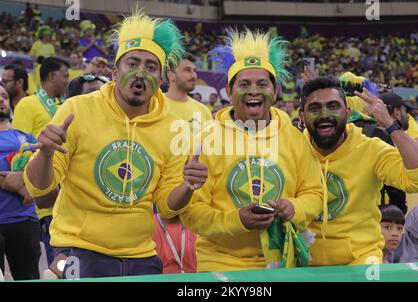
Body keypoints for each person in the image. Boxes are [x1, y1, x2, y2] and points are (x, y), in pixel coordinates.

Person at [23, 10, 207, 279]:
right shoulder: (77, 109)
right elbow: (39, 188)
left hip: (141, 256)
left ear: (161, 80)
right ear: (114, 72)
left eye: (151, 67)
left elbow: (167, 207)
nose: (140, 73)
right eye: (132, 64)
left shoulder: (170, 126)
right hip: (80, 251)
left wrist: (188, 187)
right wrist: (46, 153)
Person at [180, 28, 324, 272]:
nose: (254, 91)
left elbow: (315, 195)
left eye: (262, 84)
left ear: (275, 91)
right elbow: (193, 212)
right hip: (221, 264)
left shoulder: (295, 138)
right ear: (229, 91)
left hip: (284, 260)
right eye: (244, 84)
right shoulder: (207, 139)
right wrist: (238, 221)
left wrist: (294, 208)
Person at [299, 76, 418, 266]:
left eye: (333, 106)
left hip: (361, 260)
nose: (324, 114)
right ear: (302, 117)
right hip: (304, 260)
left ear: (347, 113)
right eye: (315, 108)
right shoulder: (293, 149)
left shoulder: (372, 149)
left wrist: (389, 123)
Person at [152, 53, 213, 273]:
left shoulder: (203, 112)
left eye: (194, 70)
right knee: (161, 260)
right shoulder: (156, 106)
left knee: (190, 260)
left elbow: (211, 154)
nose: (194, 75)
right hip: (159, 194)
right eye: (187, 70)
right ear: (171, 74)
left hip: (193, 194)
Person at [11, 57, 70, 266]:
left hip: (66, 199)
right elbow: (19, 149)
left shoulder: (63, 107)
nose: (67, 81)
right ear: (52, 76)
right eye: (65, 76)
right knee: (58, 266)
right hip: (42, 201)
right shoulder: (28, 104)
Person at [0, 83, 41, 280]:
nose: (1, 100)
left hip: (24, 220)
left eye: (5, 97)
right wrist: (8, 183)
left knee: (29, 276)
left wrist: (22, 184)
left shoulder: (25, 138)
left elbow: (41, 170)